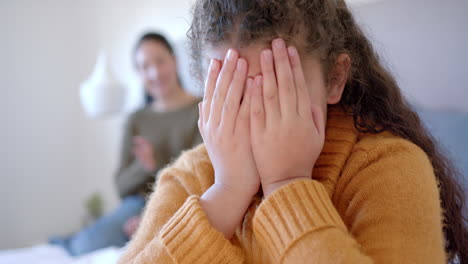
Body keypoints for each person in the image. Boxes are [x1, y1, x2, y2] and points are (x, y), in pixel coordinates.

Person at [119, 1, 467, 263]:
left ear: (334, 79)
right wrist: (226, 192)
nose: (256, 118)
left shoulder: (390, 168)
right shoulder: (189, 177)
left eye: (278, 94)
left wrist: (288, 185)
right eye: (232, 96)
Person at [50, 32, 202, 256]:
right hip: (138, 204)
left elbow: (203, 176)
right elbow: (121, 187)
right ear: (139, 74)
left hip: (183, 204)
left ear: (174, 60)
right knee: (82, 246)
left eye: (160, 61)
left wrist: (152, 217)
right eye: (144, 67)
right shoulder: (136, 120)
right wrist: (145, 167)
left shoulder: (201, 108)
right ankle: (65, 242)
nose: (155, 72)